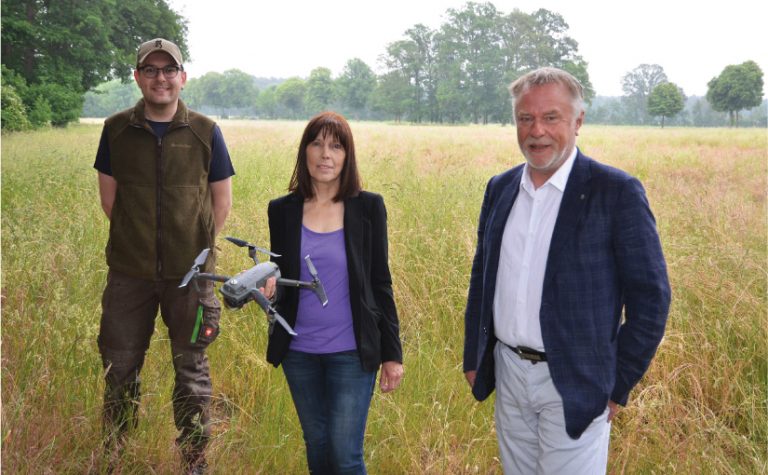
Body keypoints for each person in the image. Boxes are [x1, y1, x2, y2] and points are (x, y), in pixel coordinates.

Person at [463, 67, 671, 474]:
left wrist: (616, 383)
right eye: (525, 118)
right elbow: (481, 277)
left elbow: (651, 299)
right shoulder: (500, 188)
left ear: (578, 121)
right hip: (508, 373)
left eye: (551, 117)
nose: (536, 130)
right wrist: (475, 354)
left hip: (577, 380)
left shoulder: (616, 192)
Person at [93, 38, 234, 474]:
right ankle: (116, 454)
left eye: (168, 70)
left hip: (190, 279)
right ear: (137, 77)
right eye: (150, 70)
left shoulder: (205, 131)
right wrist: (141, 243)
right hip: (129, 276)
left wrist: (190, 249)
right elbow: (110, 200)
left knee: (191, 373)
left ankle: (194, 461)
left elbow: (220, 202)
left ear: (182, 77)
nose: (160, 78)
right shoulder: (116, 129)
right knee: (119, 368)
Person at [264, 111, 404, 474]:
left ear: (347, 155)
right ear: (305, 151)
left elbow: (380, 282)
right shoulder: (282, 210)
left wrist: (392, 354)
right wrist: (268, 284)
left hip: (351, 353)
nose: (326, 155)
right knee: (318, 447)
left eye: (336, 146)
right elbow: (281, 274)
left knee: (345, 455)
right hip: (298, 351)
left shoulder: (367, 207)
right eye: (317, 144)